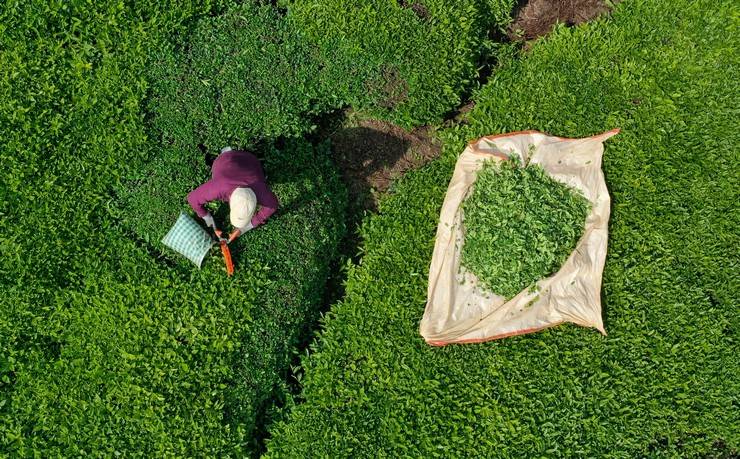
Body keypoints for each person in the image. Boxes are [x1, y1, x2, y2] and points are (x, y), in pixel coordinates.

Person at [187, 146, 278, 243]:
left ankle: (234, 152)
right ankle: (227, 152)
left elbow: (273, 206)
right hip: (226, 160)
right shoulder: (219, 187)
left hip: (251, 160)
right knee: (222, 165)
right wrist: (208, 219)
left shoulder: (261, 190)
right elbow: (192, 198)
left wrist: (244, 229)